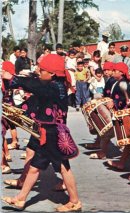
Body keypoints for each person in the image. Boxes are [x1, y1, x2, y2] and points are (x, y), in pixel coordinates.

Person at [1, 54, 81, 212]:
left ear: (51, 73)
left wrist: (14, 79)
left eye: (42, 69)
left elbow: (34, 85)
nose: (38, 71)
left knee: (64, 167)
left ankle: (74, 201)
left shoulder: (54, 87)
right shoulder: (53, 83)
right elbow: (35, 85)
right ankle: (20, 199)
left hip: (53, 134)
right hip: (46, 132)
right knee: (34, 167)